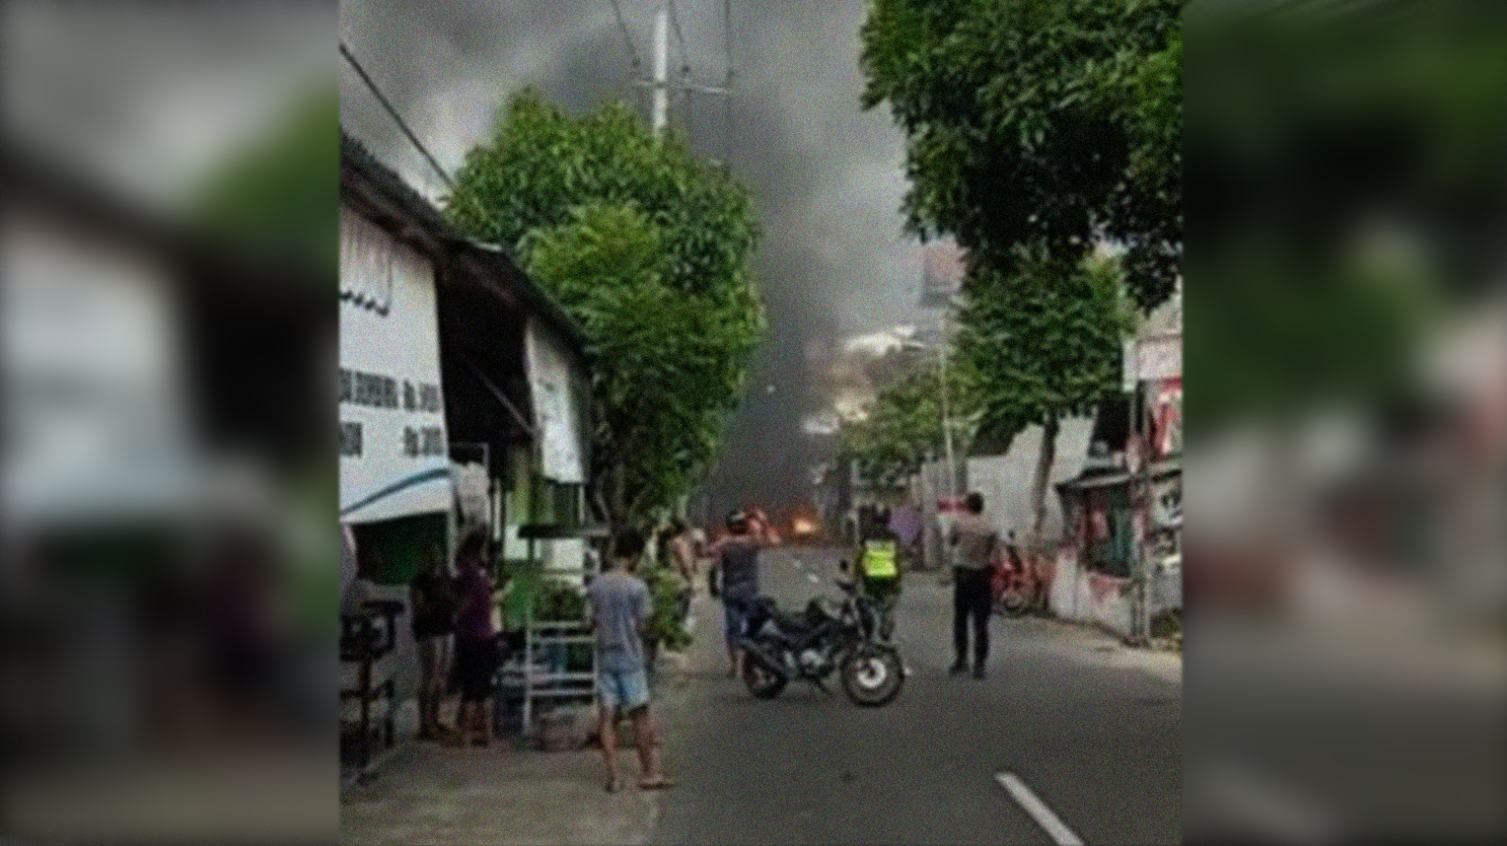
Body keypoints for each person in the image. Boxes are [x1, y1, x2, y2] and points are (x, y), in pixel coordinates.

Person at [585, 528, 673, 793]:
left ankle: (613, 777)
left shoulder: (596, 585)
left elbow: (588, 622)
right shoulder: (637, 587)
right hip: (631, 659)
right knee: (640, 717)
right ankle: (648, 773)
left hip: (605, 658)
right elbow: (643, 625)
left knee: (607, 718)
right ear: (634, 555)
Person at [707, 511, 770, 678]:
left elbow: (714, 568)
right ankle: (751, 662)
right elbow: (766, 536)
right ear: (745, 527)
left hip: (731, 593)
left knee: (733, 630)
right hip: (751, 592)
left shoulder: (724, 545)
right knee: (753, 629)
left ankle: (735, 665)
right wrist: (760, 521)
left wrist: (712, 587)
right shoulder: (753, 543)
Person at [451, 530, 499, 747]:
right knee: (486, 689)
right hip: (487, 637)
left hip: (471, 639)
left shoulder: (468, 579)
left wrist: (453, 613)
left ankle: (466, 736)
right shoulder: (482, 579)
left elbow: (463, 607)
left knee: (470, 689)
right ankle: (488, 735)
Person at [410, 542, 458, 741]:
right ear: (423, 560)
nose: (434, 560)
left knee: (441, 678)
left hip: (446, 629)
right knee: (429, 678)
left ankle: (436, 719)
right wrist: (439, 602)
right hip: (428, 632)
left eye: (436, 556)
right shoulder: (418, 582)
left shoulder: (446, 578)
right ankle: (425, 725)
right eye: (429, 556)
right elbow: (418, 609)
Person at [948, 492, 999, 679]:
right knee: (981, 623)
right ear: (982, 506)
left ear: (968, 506)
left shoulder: (959, 523)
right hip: (982, 575)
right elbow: (994, 553)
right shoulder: (990, 527)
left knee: (960, 620)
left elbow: (951, 541)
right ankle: (980, 665)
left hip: (963, 575)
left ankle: (961, 660)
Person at [852, 507, 902, 639]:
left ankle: (869, 632)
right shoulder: (893, 537)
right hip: (889, 579)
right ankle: (885, 630)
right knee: (887, 608)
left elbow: (860, 558)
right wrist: (898, 579)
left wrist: (856, 577)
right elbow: (897, 559)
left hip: (870, 578)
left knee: (869, 604)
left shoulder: (867, 536)